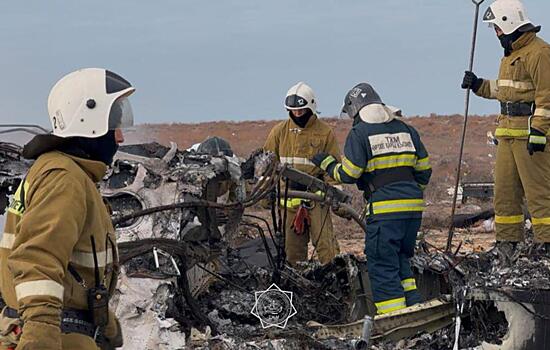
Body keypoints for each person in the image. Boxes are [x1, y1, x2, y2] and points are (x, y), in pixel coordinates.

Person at [0, 68, 135, 349]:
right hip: (57, 338)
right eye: (114, 125)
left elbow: (74, 273)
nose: (120, 138)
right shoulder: (64, 178)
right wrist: (40, 337)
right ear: (90, 120)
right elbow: (38, 259)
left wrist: (104, 321)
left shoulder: (68, 174)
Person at [311, 83, 431, 314]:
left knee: (383, 265)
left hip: (385, 212)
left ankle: (394, 319)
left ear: (355, 110)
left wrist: (326, 163)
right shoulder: (407, 130)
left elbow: (349, 173)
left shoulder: (360, 133)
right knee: (400, 260)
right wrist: (409, 195)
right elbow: (424, 171)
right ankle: (415, 309)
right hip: (413, 211)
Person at [461, 0, 550, 255]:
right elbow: (506, 91)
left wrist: (540, 131)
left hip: (531, 137)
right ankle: (507, 246)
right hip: (508, 135)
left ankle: (547, 245)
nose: (497, 34)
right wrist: (478, 85)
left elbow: (547, 96)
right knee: (505, 194)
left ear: (508, 24)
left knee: (539, 194)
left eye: (497, 28)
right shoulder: (512, 55)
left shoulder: (540, 53)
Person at [264, 82, 341, 266]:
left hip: (316, 201)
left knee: (326, 247)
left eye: (301, 110)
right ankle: (298, 289)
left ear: (311, 107)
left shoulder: (325, 133)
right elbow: (267, 166)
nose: (297, 114)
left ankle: (335, 283)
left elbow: (333, 168)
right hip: (287, 203)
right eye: (293, 111)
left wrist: (336, 194)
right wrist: (266, 192)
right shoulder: (279, 132)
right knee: (292, 253)